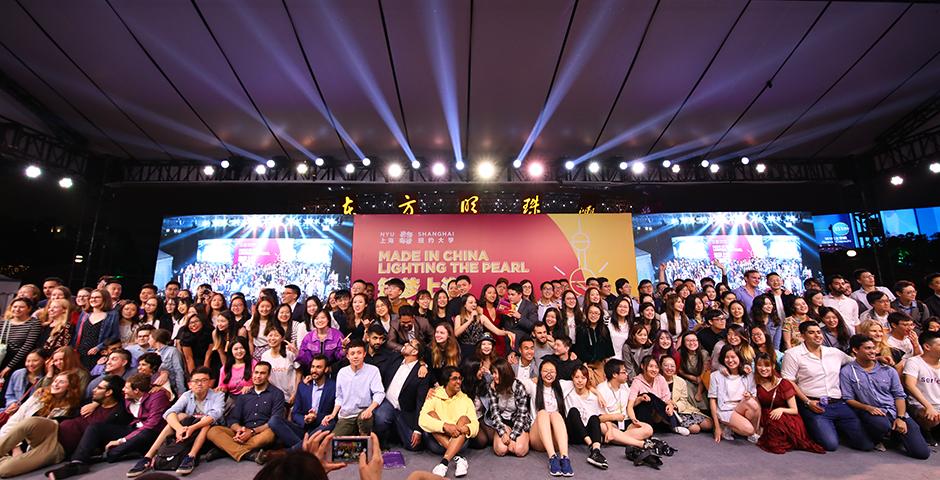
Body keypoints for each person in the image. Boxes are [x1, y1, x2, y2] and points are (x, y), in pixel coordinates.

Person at [52, 373, 171, 479]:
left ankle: (109, 455)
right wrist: (95, 403)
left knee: (112, 455)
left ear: (137, 391)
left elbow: (152, 424)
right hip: (133, 429)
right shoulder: (128, 397)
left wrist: (121, 440)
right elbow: (112, 392)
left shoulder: (157, 396)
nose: (123, 390)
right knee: (95, 427)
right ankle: (77, 462)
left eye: (126, 388)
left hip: (151, 433)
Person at [781, 321, 870, 451]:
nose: (817, 335)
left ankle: (835, 428)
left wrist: (878, 359)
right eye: (811, 333)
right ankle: (816, 428)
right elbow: (788, 381)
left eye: (818, 332)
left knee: (866, 445)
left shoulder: (834, 352)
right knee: (830, 445)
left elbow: (856, 362)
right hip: (813, 403)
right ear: (802, 336)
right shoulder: (793, 354)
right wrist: (807, 402)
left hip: (838, 403)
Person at [841, 335, 930, 459]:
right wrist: (867, 408)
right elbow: (848, 398)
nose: (872, 351)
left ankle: (894, 436)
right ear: (855, 350)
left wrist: (901, 418)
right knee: (881, 425)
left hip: (895, 411)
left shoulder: (888, 370)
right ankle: (880, 436)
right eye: (867, 348)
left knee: (922, 453)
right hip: (870, 412)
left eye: (873, 348)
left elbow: (899, 395)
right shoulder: (847, 371)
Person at [126, 367, 226, 477]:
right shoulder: (187, 395)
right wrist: (179, 428)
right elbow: (169, 412)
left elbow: (214, 415)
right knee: (178, 416)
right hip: (188, 431)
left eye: (204, 380)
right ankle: (148, 457)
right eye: (196, 381)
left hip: (209, 431)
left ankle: (191, 457)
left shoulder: (218, 395)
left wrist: (192, 428)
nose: (200, 384)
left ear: (209, 383)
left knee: (206, 422)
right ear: (190, 384)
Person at [0, 371, 82, 478]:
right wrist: (16, 447)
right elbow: (15, 421)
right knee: (25, 424)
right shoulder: (39, 396)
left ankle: (6, 460)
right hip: (15, 440)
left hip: (41, 446)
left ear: (70, 387)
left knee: (3, 471)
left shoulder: (70, 408)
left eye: (61, 382)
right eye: (55, 381)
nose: (55, 384)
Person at [205, 362, 284, 463]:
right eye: (256, 372)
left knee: (270, 434)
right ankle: (248, 454)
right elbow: (233, 419)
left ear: (268, 375)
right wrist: (239, 430)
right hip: (243, 430)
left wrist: (252, 432)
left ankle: (225, 450)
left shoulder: (277, 394)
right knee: (213, 431)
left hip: (262, 432)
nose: (258, 376)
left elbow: (275, 420)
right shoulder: (244, 395)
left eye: (262, 373)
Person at [752, 352, 823, 454]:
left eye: (767, 365)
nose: (763, 369)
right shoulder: (756, 383)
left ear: (773, 366)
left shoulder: (783, 383)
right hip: (766, 415)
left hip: (786, 415)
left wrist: (781, 409)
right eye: (760, 365)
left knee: (776, 436)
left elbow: (794, 410)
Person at [267, 355, 335, 458]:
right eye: (313, 367)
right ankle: (305, 449)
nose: (314, 370)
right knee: (274, 421)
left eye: (318, 367)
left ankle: (288, 453)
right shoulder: (303, 386)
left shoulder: (333, 386)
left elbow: (335, 414)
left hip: (322, 425)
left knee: (329, 423)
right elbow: (295, 413)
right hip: (304, 428)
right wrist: (305, 419)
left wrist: (316, 417)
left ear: (326, 369)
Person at [419, 366, 478, 478]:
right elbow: (422, 420)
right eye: (455, 379)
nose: (459, 382)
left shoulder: (466, 400)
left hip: (460, 441)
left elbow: (475, 424)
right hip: (437, 442)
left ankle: (444, 462)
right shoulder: (434, 395)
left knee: (464, 419)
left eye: (460, 378)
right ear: (446, 381)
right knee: (431, 415)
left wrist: (467, 428)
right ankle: (459, 458)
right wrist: (444, 426)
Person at [374, 341, 430, 450]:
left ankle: (395, 431)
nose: (405, 343)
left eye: (409, 344)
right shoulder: (396, 358)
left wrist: (417, 430)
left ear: (415, 351)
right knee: (381, 418)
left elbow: (420, 402)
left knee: (414, 446)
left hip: (405, 411)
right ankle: (384, 439)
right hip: (388, 403)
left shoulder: (422, 371)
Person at [322, 339, 384, 436]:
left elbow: (379, 393)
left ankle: (365, 442)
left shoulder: (373, 370)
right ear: (348, 356)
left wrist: (369, 409)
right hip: (346, 415)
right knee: (335, 442)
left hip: (364, 413)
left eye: (359, 353)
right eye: (352, 353)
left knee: (365, 420)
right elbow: (339, 397)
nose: (355, 356)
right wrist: (333, 414)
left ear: (364, 354)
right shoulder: (342, 372)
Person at [524, 359, 574, 477]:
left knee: (556, 414)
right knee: (542, 413)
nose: (549, 374)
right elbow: (512, 381)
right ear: (540, 373)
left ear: (556, 374)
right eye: (545, 371)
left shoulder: (561, 385)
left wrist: (597, 394)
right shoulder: (533, 386)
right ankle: (552, 458)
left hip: (556, 439)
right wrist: (531, 380)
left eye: (552, 371)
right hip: (538, 438)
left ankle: (564, 458)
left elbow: (581, 380)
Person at [594, 359, 654, 448]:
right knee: (601, 426)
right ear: (614, 374)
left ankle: (617, 439)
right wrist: (614, 417)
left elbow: (628, 405)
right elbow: (599, 417)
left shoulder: (624, 386)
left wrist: (640, 399)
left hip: (626, 421)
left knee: (648, 429)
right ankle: (638, 443)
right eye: (624, 372)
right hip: (611, 423)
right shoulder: (602, 389)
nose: (627, 374)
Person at [708, 345, 761, 443]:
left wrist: (749, 396)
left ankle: (750, 433)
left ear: (739, 358)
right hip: (726, 409)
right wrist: (717, 427)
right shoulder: (715, 376)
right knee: (748, 429)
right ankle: (728, 426)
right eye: (727, 357)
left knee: (753, 403)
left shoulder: (748, 374)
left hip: (741, 406)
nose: (730, 360)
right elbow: (712, 400)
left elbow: (753, 396)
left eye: (733, 357)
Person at [628, 355, 689, 435]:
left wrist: (670, 405)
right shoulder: (637, 381)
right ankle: (671, 424)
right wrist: (640, 399)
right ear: (642, 366)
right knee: (647, 396)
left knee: (658, 400)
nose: (654, 370)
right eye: (651, 366)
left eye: (656, 367)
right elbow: (630, 405)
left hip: (659, 414)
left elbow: (666, 399)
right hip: (643, 415)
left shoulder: (660, 378)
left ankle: (674, 426)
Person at [483, 358, 531, 457]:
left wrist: (513, 436)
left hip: (518, 422)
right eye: (492, 373)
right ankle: (507, 433)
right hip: (503, 422)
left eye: (496, 373)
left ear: (504, 373)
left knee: (519, 451)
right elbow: (495, 413)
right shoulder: (492, 387)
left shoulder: (518, 386)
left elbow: (522, 415)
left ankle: (523, 437)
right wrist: (502, 433)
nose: (493, 376)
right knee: (501, 450)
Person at [563, 365, 608, 469]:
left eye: (583, 378)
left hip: (587, 431)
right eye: (577, 377)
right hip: (573, 432)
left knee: (594, 418)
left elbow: (601, 415)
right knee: (573, 411)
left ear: (587, 379)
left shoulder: (593, 397)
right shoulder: (567, 388)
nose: (579, 381)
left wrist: (598, 394)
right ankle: (591, 447)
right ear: (572, 378)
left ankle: (596, 451)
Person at [902, 331, 940, 446]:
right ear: (927, 346)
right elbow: (910, 385)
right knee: (933, 417)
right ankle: (926, 431)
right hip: (920, 405)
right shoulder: (914, 362)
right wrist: (928, 406)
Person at [660, 356, 712, 434]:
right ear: (660, 366)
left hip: (681, 409)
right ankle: (672, 426)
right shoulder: (657, 380)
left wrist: (675, 405)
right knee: (695, 429)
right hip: (668, 412)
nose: (669, 368)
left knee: (708, 424)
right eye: (666, 365)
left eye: (672, 366)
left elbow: (683, 400)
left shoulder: (680, 381)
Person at [74, 289, 119, 370]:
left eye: (97, 297)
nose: (93, 299)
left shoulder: (112, 315)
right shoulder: (84, 314)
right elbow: (77, 334)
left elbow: (115, 335)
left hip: (99, 353)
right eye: (91, 297)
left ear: (105, 299)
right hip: (81, 353)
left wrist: (99, 347)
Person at [0, 298, 42, 382]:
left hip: (19, 362)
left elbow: (27, 346)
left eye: (21, 307)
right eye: (15, 307)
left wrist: (9, 367)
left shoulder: (34, 323)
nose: (17, 309)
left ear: (29, 309)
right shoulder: (3, 323)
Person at [573, 304, 613, 385]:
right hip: (585, 363)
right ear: (587, 314)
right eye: (591, 313)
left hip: (600, 363)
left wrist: (607, 367)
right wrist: (584, 365)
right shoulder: (581, 328)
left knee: (602, 384)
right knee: (589, 383)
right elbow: (580, 349)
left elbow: (608, 349)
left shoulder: (604, 329)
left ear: (600, 315)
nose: (593, 315)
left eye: (596, 313)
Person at [148, 329, 186, 396]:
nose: (148, 341)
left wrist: (181, 391)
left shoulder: (172, 351)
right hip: (156, 387)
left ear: (156, 339)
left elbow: (179, 371)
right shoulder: (152, 353)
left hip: (172, 388)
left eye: (150, 338)